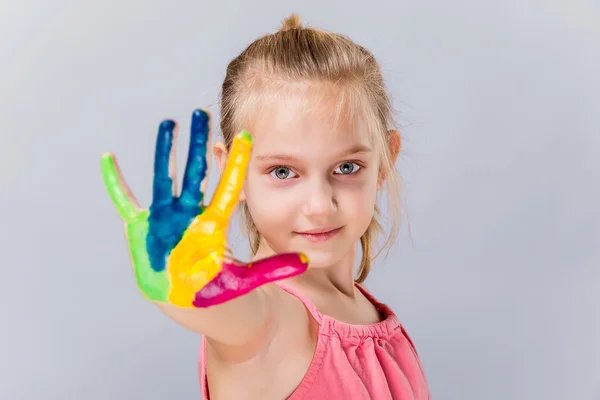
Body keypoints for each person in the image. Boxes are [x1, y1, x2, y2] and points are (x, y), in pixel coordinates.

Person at [101, 13, 430, 400]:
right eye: (283, 171)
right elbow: (237, 316)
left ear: (385, 161)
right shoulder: (270, 323)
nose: (320, 205)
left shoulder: (368, 313)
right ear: (232, 173)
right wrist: (180, 282)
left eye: (346, 167)